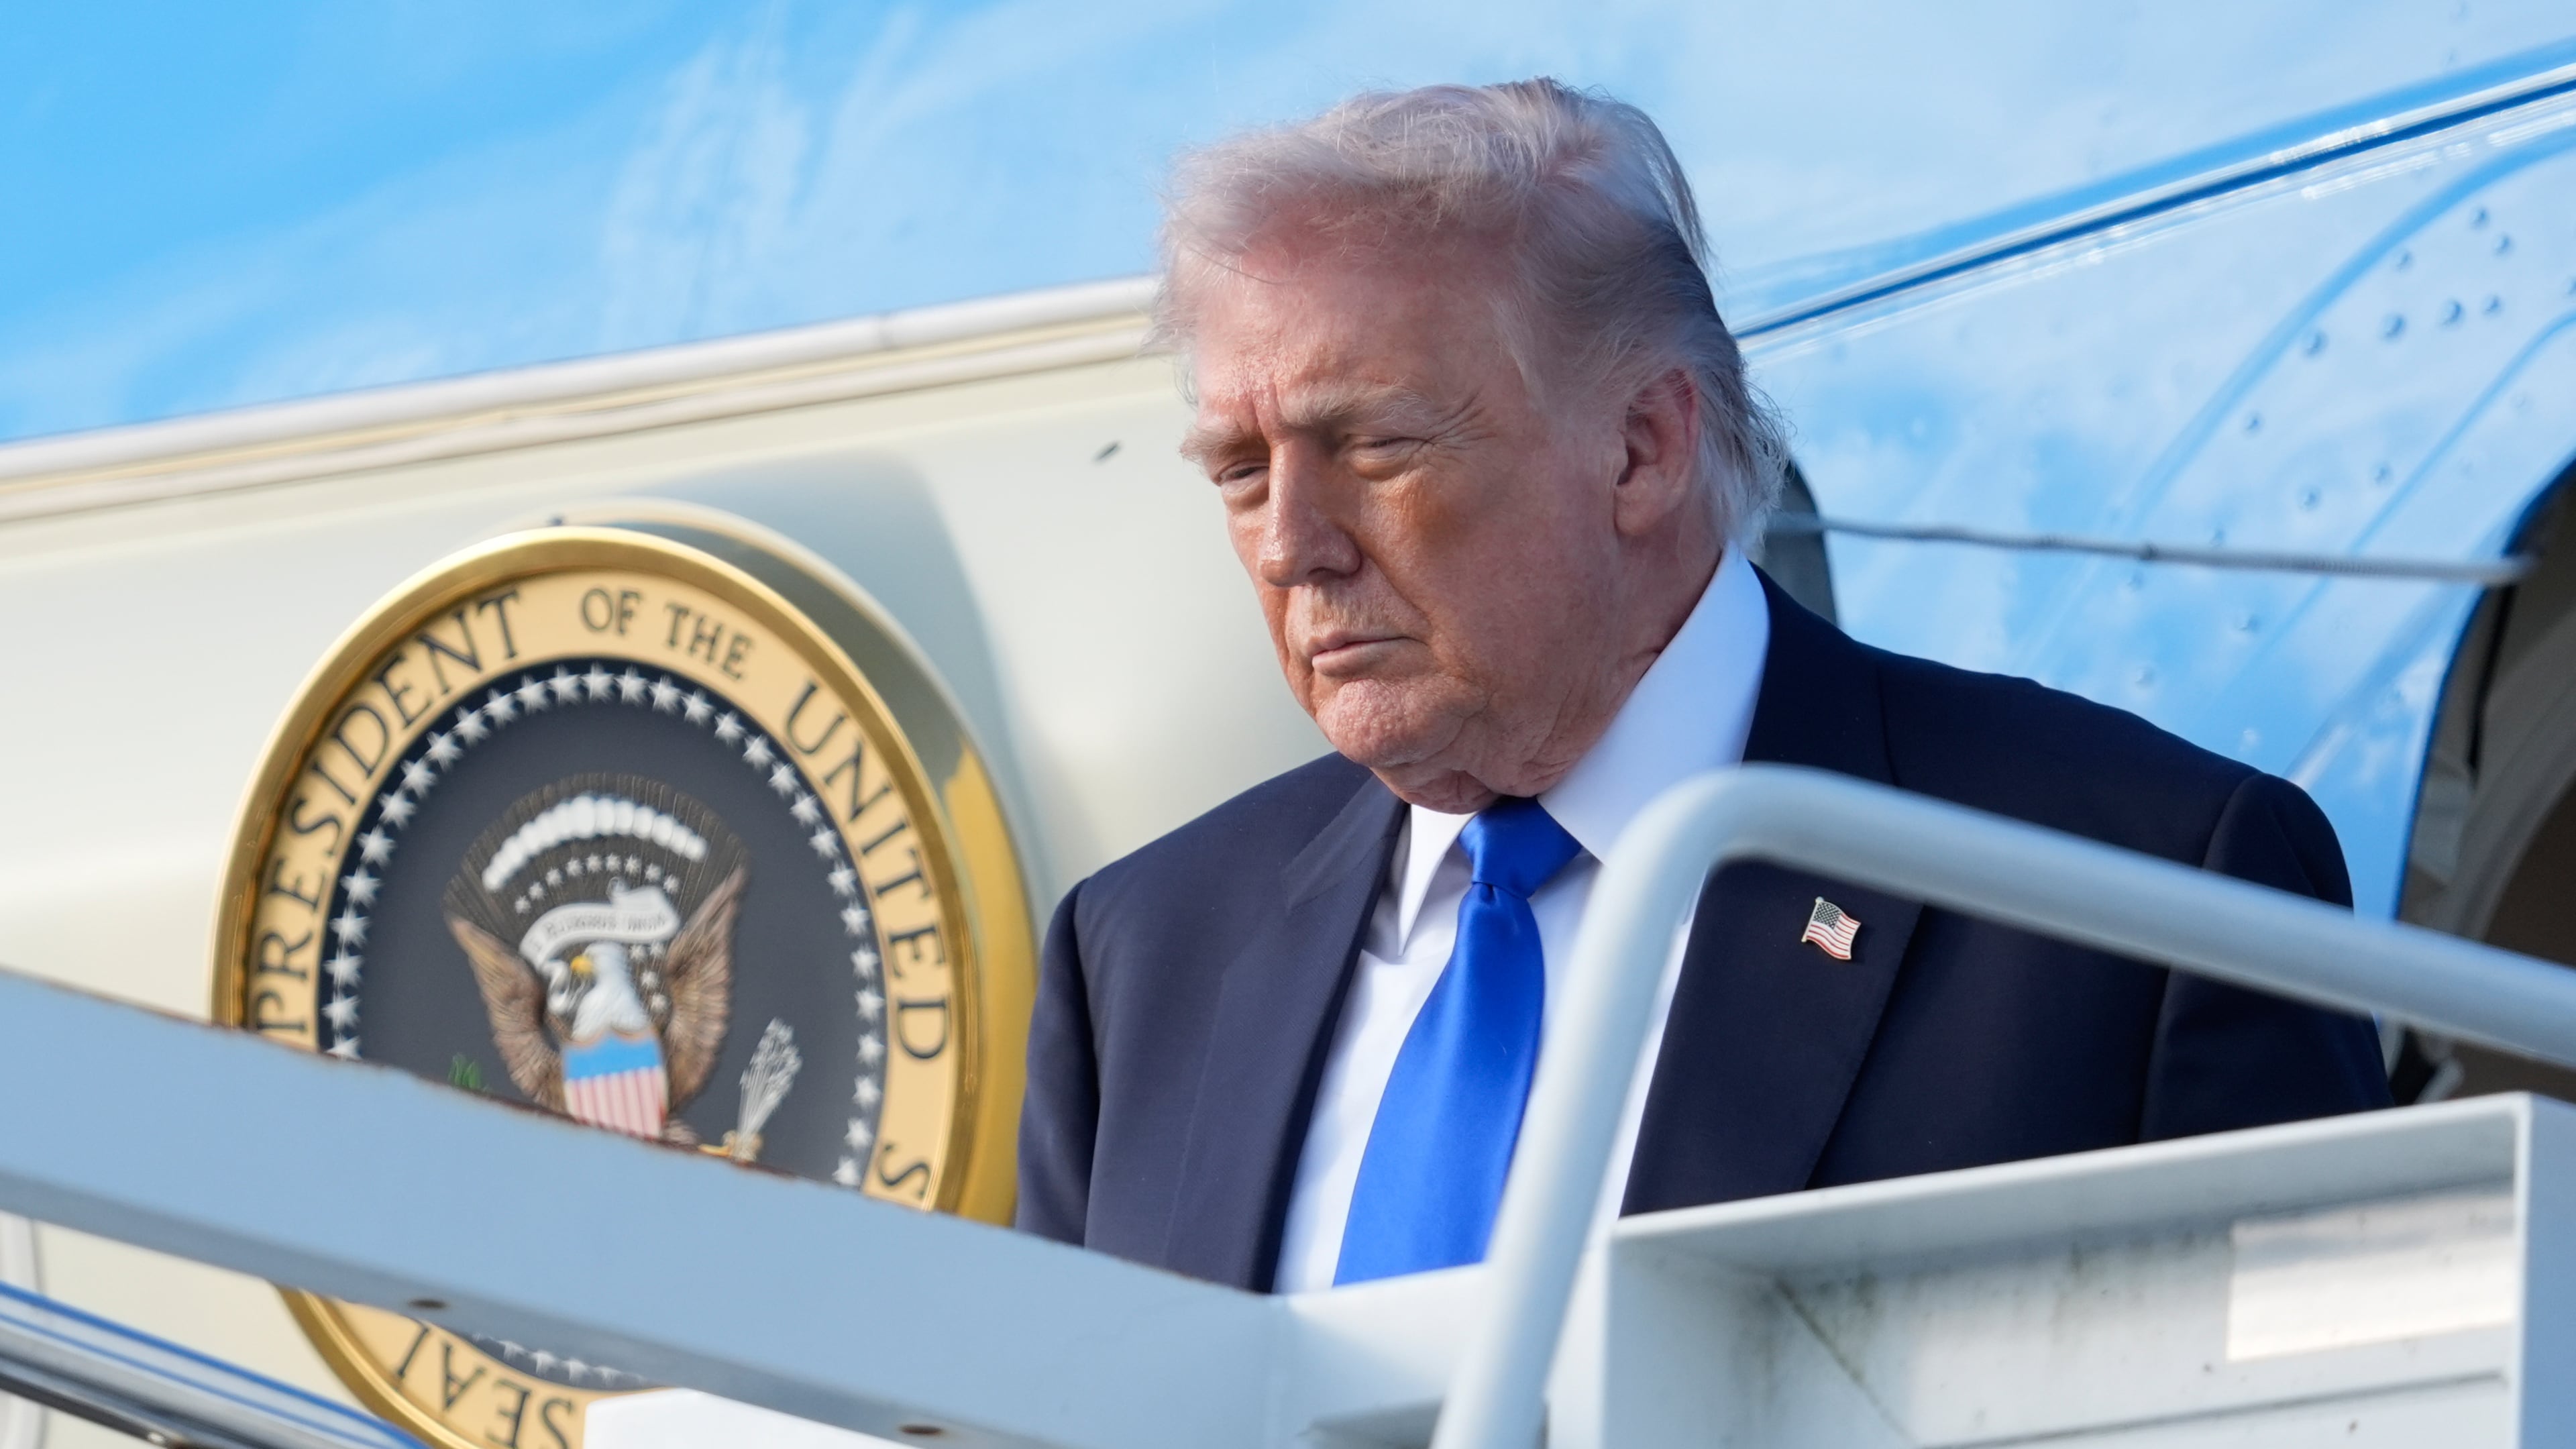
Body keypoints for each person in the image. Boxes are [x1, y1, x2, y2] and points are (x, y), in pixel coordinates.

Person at [1015, 78, 2391, 1293]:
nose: (1288, 545)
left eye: (1372, 445)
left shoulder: (2135, 896)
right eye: (1241, 472)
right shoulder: (1144, 954)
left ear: (1642, 448)